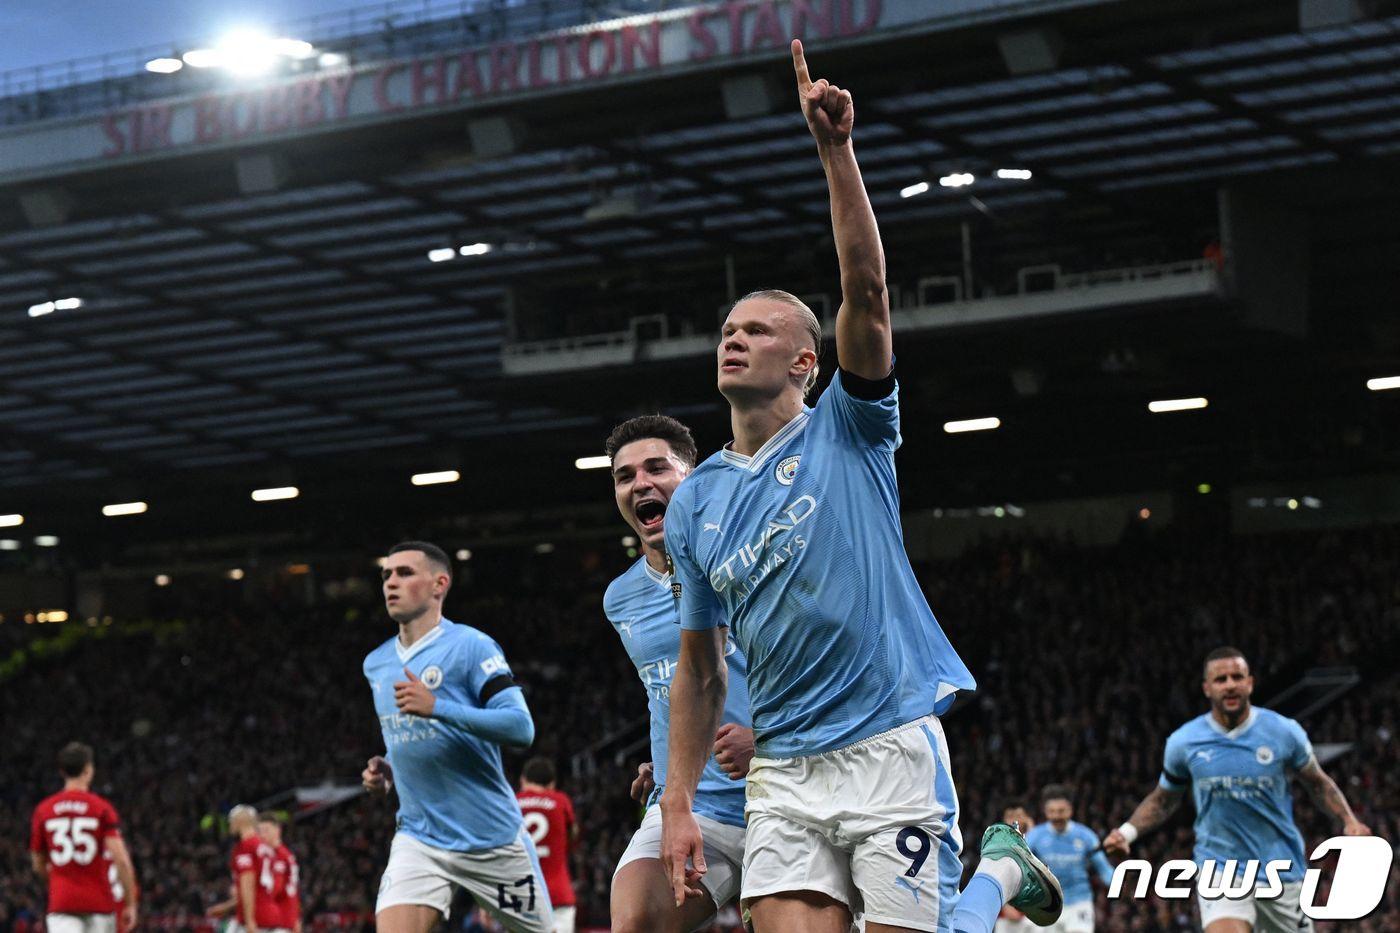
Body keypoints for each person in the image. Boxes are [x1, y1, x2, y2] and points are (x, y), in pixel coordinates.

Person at [659, 39, 1061, 933]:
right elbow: (697, 665)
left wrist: (835, 150)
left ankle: (996, 874)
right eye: (728, 328)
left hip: (887, 746)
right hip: (785, 774)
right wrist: (679, 799)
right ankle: (991, 878)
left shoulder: (851, 426)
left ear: (806, 359)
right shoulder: (696, 501)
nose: (734, 337)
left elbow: (868, 292)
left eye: (758, 330)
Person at [603, 415, 756, 932]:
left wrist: (767, 738)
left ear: (691, 477)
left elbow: (813, 664)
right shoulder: (620, 597)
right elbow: (664, 687)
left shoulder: (746, 558)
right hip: (691, 805)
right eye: (625, 477)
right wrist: (670, 757)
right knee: (636, 922)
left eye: (656, 468)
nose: (641, 484)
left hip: (782, 789)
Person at [1104, 646, 1371, 932]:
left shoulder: (1284, 731)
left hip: (1281, 870)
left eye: (1237, 677)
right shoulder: (1184, 742)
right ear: (1207, 688)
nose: (1230, 685)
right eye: (1221, 680)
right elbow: (1163, 800)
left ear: (1250, 683)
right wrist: (1127, 832)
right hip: (1220, 869)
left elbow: (1318, 783)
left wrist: (1349, 820)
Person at [362, 541, 554, 933]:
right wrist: (388, 766)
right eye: (386, 575)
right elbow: (406, 734)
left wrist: (438, 707)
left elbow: (520, 727)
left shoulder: (470, 645)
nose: (390, 583)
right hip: (420, 838)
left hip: (492, 840)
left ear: (439, 584)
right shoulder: (376, 663)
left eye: (404, 573)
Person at [29, 742, 139, 933]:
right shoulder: (101, 808)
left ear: (62, 771)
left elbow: (38, 863)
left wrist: (58, 882)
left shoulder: (44, 810)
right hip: (99, 904)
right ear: (88, 770)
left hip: (63, 904)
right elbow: (121, 860)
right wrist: (130, 903)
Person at [1025, 786, 1111, 933]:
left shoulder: (1086, 836)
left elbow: (1103, 868)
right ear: (1045, 812)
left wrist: (1119, 884)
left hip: (1079, 903)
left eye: (1061, 811)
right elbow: (1018, 865)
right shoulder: (1034, 836)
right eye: (1052, 811)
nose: (1056, 816)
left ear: (1070, 810)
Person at [515, 758, 579, 933]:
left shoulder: (512, 803)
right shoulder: (560, 801)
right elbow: (573, 834)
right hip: (557, 895)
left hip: (521, 895)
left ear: (523, 780)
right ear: (552, 783)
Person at [208, 804, 286, 933]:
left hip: (255, 918)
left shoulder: (245, 848)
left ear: (240, 821)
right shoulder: (266, 848)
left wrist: (249, 921)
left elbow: (248, 886)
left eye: (232, 819)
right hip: (272, 915)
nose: (230, 823)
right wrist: (227, 907)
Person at [257, 813, 301, 933]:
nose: (262, 835)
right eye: (260, 831)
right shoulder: (266, 856)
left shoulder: (283, 857)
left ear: (277, 830)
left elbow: (278, 890)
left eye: (266, 830)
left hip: (280, 923)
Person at [995, 804, 1036, 933]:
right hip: (1007, 917)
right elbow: (997, 877)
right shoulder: (997, 846)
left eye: (1019, 816)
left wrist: (1033, 832)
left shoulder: (1041, 842)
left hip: (1034, 914)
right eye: (1010, 816)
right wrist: (1005, 906)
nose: (1014, 820)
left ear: (1028, 819)